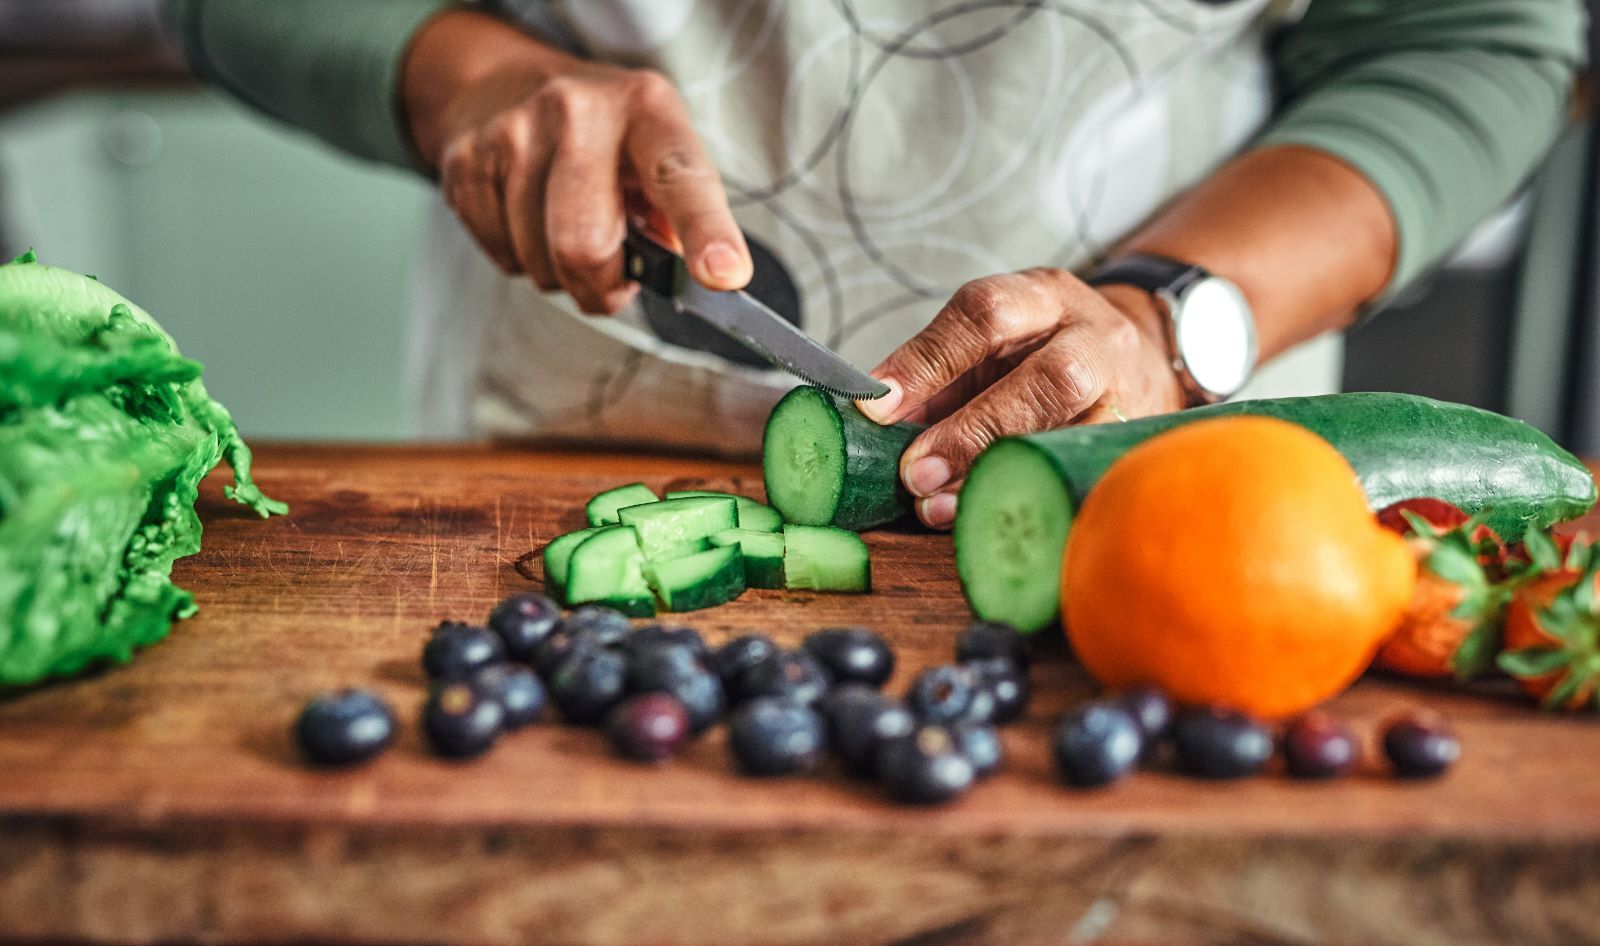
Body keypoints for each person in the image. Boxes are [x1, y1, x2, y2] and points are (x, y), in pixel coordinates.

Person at [163, 0, 1584, 527]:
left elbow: (1468, 37)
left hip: (1170, 454)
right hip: (557, 414)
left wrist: (1176, 316)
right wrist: (469, 78)